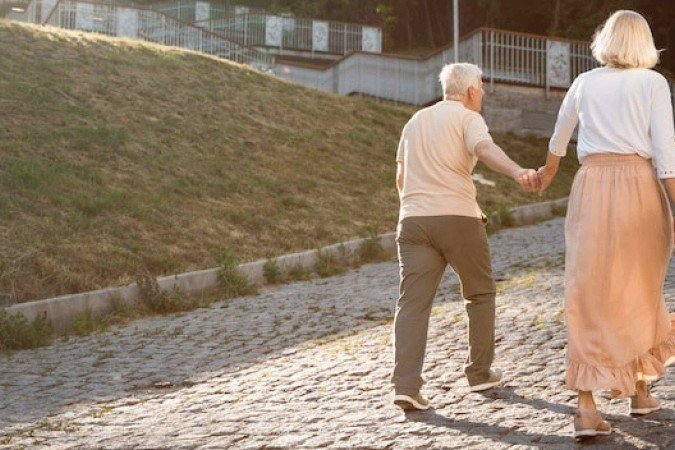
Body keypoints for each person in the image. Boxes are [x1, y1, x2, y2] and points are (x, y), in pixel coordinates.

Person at [536, 10, 675, 438]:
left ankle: (601, 401)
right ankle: (631, 392)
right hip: (638, 186)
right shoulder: (652, 83)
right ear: (644, 43)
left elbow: (559, 138)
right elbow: (666, 155)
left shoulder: (584, 82)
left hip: (591, 186)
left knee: (590, 290)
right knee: (639, 288)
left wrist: (545, 174)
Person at [391, 62, 540, 410]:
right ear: (471, 91)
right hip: (458, 217)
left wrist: (412, 208)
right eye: (482, 87)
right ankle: (479, 372)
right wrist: (518, 172)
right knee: (480, 293)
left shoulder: (415, 121)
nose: (483, 93)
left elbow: (400, 176)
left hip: (412, 221)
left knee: (412, 303)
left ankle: (405, 385)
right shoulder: (468, 118)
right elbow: (484, 149)